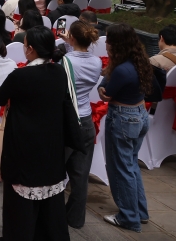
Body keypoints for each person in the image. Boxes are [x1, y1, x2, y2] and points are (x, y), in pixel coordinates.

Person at [0, 26, 73, 241]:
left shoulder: (21, 75)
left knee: (20, 200)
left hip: (24, 142)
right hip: (52, 142)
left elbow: (0, 97)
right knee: (51, 197)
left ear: (30, 50)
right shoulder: (59, 72)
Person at [100, 23, 155, 231]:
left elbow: (106, 92)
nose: (105, 45)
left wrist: (103, 89)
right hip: (139, 114)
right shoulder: (139, 61)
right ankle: (139, 212)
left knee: (122, 168)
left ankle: (129, 217)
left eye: (107, 41)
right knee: (131, 165)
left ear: (115, 44)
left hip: (123, 118)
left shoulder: (122, 70)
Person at [62, 20, 102, 228]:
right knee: (80, 175)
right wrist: (70, 42)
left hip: (67, 120)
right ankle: (76, 218)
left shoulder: (65, 62)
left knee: (57, 171)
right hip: (86, 118)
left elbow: (69, 64)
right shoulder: (96, 62)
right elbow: (77, 57)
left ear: (73, 38)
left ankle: (53, 215)